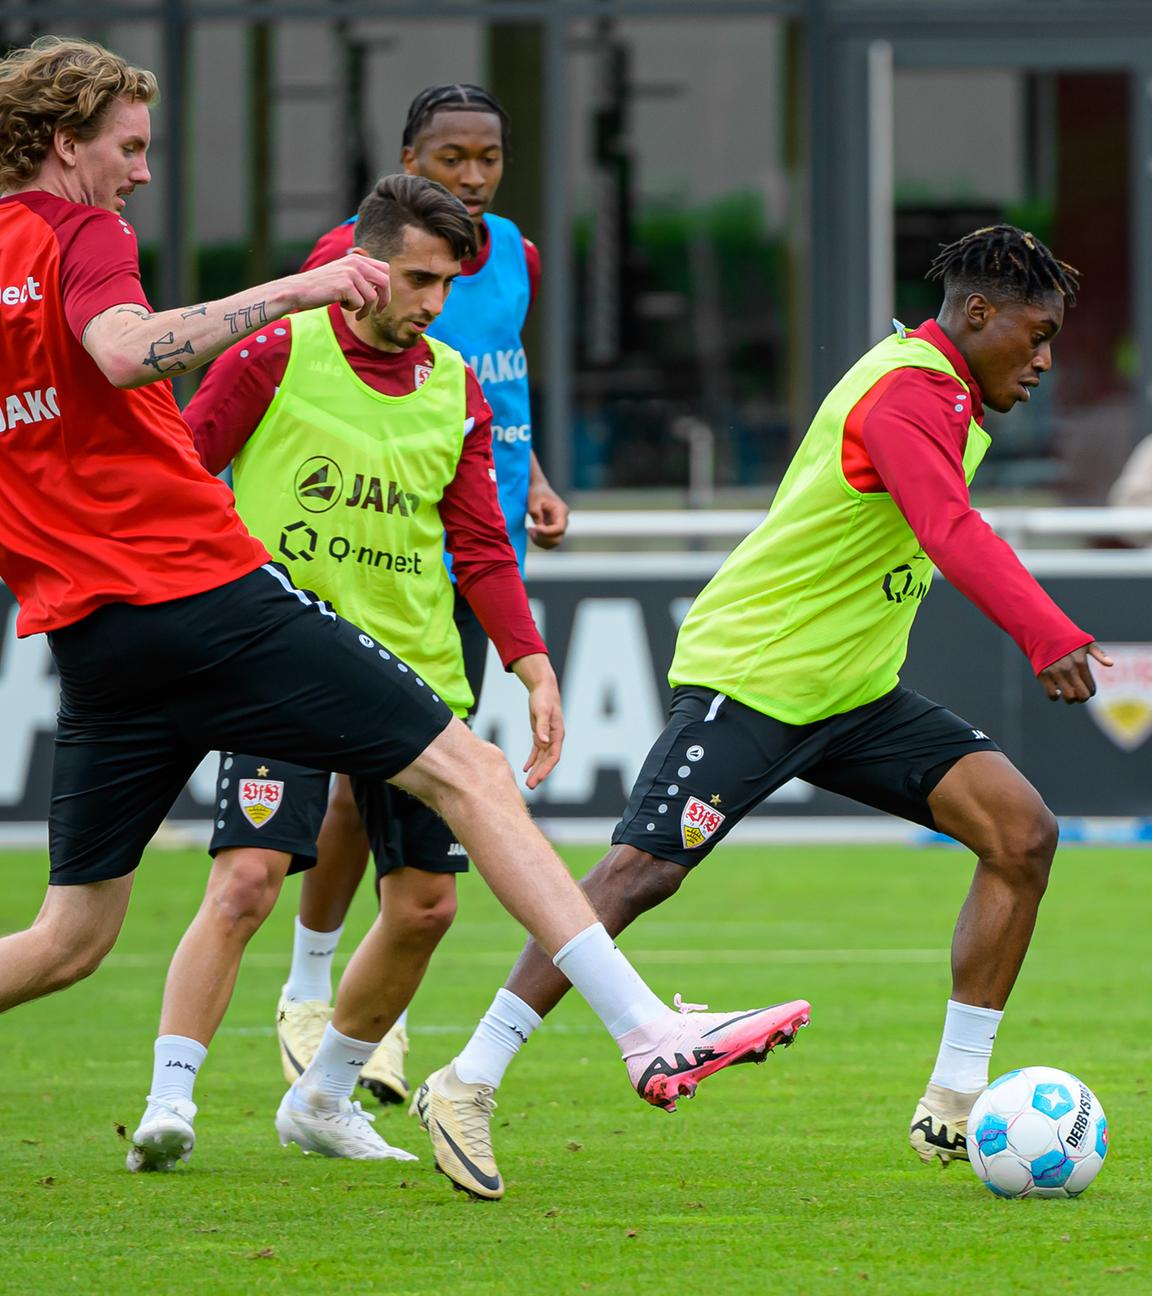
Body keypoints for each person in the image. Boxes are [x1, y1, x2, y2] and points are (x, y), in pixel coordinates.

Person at [0, 35, 810, 1184]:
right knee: (471, 773)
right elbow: (130, 354)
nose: (138, 172)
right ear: (63, 140)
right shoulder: (86, 232)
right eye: (128, 148)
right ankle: (647, 1031)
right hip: (199, 590)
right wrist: (301, 282)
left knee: (68, 938)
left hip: (90, 631)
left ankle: (326, 1084)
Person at [410, 224, 1114, 1198]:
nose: (1043, 362)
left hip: (853, 693)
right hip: (756, 675)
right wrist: (1048, 632)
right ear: (978, 314)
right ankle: (467, 1080)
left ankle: (954, 1104)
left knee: (1022, 833)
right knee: (638, 874)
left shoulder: (948, 392)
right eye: (1034, 336)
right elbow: (947, 527)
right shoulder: (907, 391)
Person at [130, 172, 566, 1166]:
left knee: (426, 906)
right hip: (280, 663)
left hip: (412, 674)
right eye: (416, 278)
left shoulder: (454, 382)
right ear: (359, 264)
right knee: (245, 881)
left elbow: (482, 548)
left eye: (446, 285)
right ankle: (170, 1102)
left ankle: (322, 1099)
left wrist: (531, 664)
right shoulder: (276, 350)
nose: (430, 303)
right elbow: (182, 477)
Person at [278, 83, 569, 1105]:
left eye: (489, 158)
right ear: (410, 159)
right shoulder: (344, 257)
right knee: (370, 786)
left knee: (408, 795)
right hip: (378, 557)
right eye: (453, 158)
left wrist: (530, 474)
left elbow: (501, 379)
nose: (475, 176)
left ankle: (349, 1016)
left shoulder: (518, 257)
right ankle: (315, 987)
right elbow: (323, 378)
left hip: (477, 560)